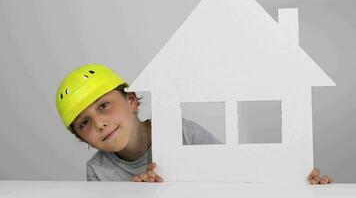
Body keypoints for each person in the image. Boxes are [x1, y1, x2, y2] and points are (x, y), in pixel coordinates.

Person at [56, 63, 333, 184]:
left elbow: (237, 172)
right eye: (84, 123)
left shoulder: (182, 131)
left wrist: (296, 181)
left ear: (131, 101)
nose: (100, 124)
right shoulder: (97, 171)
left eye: (104, 105)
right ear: (83, 139)